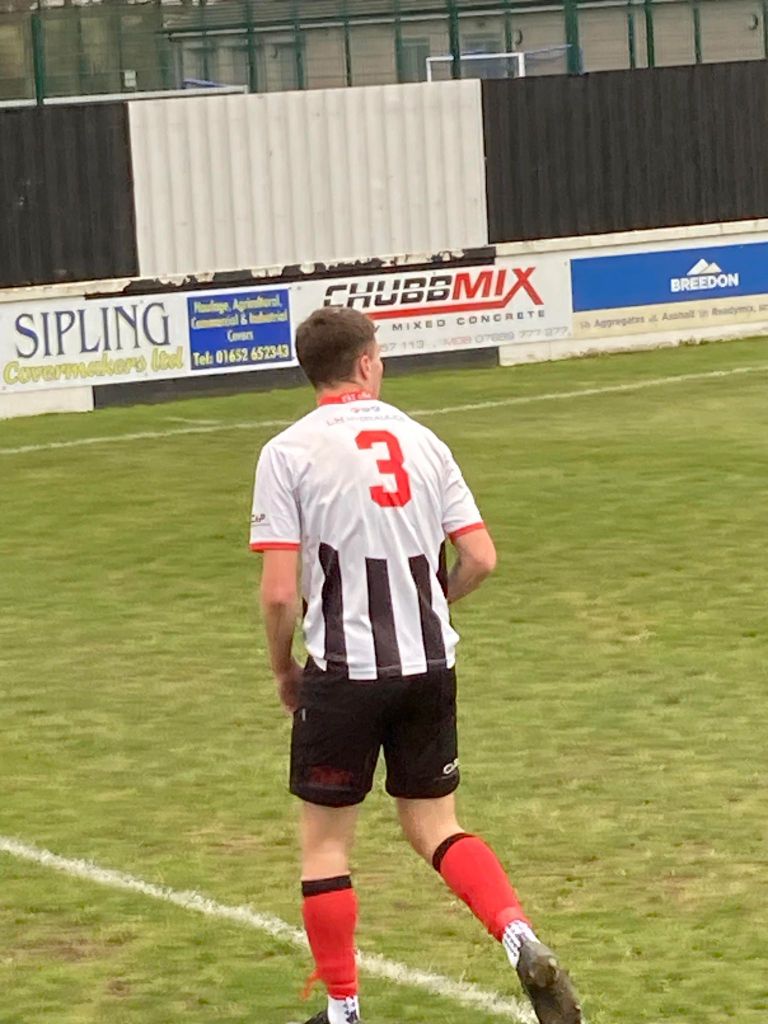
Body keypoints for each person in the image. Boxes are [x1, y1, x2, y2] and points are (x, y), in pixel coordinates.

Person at [250, 306, 582, 1024]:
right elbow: (481, 557)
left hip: (343, 671)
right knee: (436, 825)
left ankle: (344, 1011)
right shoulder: (425, 441)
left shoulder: (287, 451)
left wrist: (282, 669)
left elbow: (278, 593)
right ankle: (518, 935)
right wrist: (431, 601)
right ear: (366, 363)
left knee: (326, 846)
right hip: (429, 664)